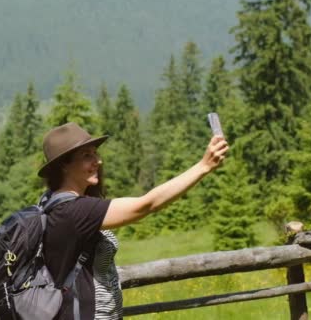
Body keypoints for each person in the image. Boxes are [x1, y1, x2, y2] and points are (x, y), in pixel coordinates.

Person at [38, 122, 229, 320]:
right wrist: (204, 166)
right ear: (64, 165)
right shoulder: (73, 211)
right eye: (87, 155)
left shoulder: (51, 202)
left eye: (96, 153)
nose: (98, 161)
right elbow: (146, 205)